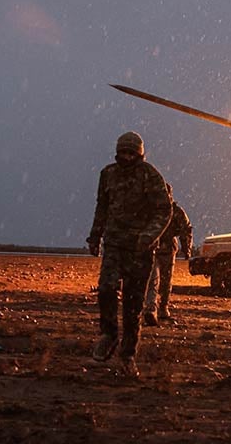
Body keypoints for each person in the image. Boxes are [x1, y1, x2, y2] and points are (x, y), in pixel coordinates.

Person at [86, 131, 173, 377]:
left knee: (133, 307)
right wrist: (95, 236)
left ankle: (128, 356)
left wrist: (147, 237)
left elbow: (163, 211)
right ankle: (109, 335)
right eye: (122, 152)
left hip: (140, 251)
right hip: (113, 245)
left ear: (140, 154)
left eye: (131, 153)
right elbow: (101, 207)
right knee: (106, 289)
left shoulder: (151, 176)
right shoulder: (108, 174)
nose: (126, 156)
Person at [143, 185, 193, 326]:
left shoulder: (176, 212)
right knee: (153, 280)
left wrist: (186, 248)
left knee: (166, 281)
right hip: (153, 249)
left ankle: (163, 307)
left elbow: (186, 229)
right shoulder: (152, 210)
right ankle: (151, 309)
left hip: (168, 250)